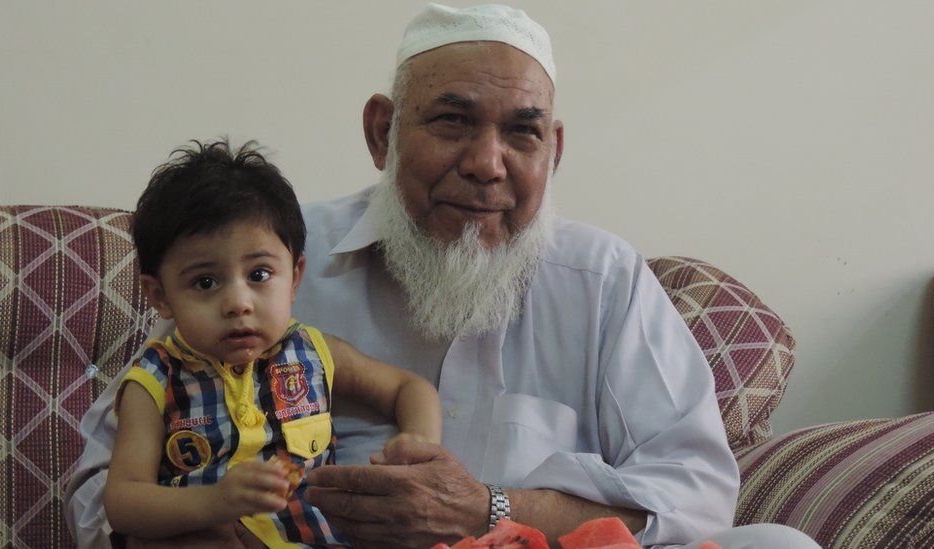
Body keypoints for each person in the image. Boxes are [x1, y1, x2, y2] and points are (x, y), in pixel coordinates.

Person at [67, 4, 820, 549]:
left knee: (780, 546)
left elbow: (699, 492)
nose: (487, 162)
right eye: (452, 121)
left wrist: (490, 507)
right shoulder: (268, 265)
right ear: (381, 133)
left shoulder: (603, 282)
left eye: (520, 132)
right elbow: (100, 491)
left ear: (551, 152)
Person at [101, 140, 441, 547]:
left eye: (259, 274)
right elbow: (123, 502)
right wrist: (214, 502)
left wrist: (418, 445)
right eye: (205, 282)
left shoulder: (315, 351)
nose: (238, 304)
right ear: (159, 296)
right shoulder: (154, 381)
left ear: (295, 276)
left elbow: (409, 388)